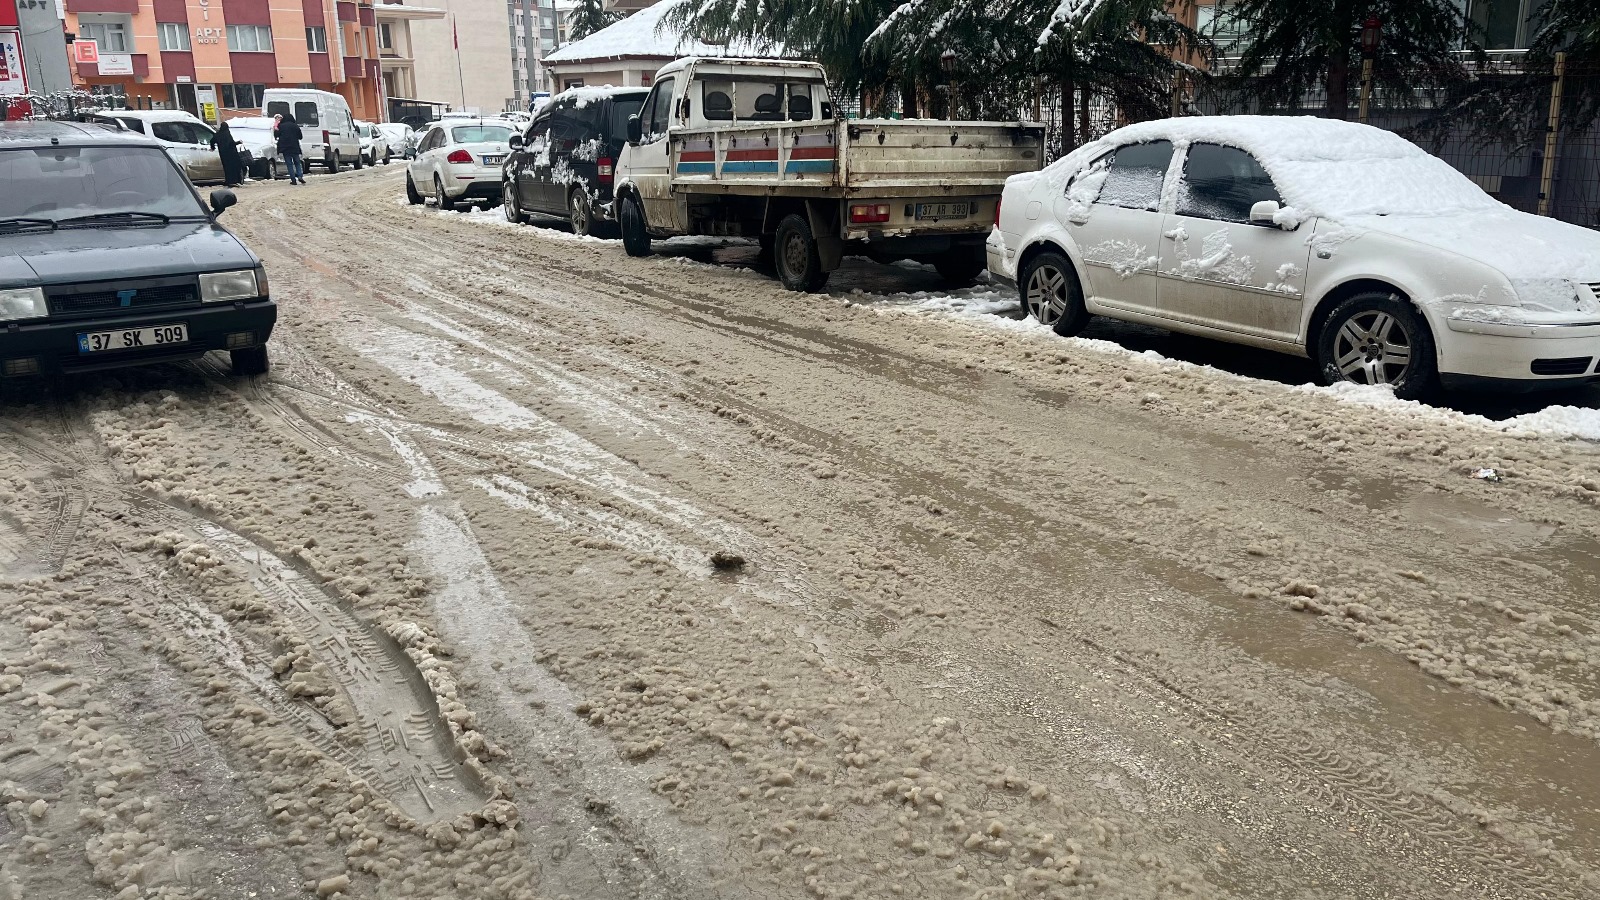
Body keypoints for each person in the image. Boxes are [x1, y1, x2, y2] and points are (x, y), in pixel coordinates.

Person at [213, 120, 245, 187]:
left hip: (223, 154)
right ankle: (235, 180)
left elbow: (212, 140)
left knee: (226, 168)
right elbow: (230, 144)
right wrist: (238, 142)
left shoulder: (218, 134)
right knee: (234, 167)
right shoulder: (227, 134)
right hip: (231, 154)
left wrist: (213, 147)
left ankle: (228, 180)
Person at [277, 114, 305, 185]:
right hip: (294, 147)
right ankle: (300, 175)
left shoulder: (281, 126)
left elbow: (276, 135)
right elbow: (300, 137)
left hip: (285, 148)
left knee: (289, 164)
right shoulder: (295, 126)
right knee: (297, 163)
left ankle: (293, 180)